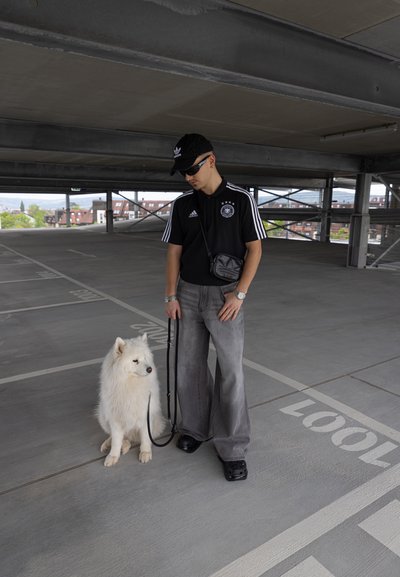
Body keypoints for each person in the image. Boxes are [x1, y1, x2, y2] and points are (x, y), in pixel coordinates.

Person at [162, 133, 266, 481]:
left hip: (225, 298)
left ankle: (232, 447)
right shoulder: (181, 205)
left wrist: (241, 294)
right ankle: (194, 429)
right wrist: (170, 295)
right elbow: (174, 251)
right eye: (183, 171)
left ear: (211, 160)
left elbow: (255, 249)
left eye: (192, 168)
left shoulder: (240, 200)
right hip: (188, 296)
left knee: (231, 372)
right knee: (188, 367)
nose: (188, 176)